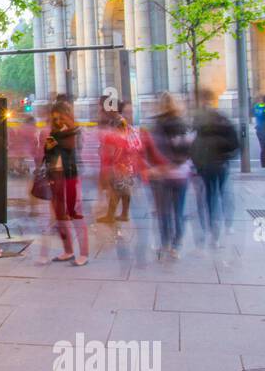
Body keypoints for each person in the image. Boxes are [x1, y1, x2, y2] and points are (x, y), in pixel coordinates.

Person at [191, 90, 239, 248]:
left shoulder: (199, 121)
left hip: (207, 165)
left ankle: (215, 231)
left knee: (211, 196)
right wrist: (226, 156)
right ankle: (225, 225)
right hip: (219, 164)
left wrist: (197, 164)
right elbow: (234, 142)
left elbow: (195, 145)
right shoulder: (221, 118)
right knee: (223, 193)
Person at [149, 92, 194, 260]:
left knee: (164, 212)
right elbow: (188, 149)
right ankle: (176, 246)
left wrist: (162, 166)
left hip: (162, 174)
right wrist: (177, 163)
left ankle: (165, 243)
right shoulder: (183, 123)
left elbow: (154, 150)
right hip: (180, 174)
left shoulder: (157, 125)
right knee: (178, 211)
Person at [43, 99, 88, 265]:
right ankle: (68, 250)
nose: (58, 121)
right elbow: (47, 154)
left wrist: (59, 139)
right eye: (55, 118)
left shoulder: (76, 132)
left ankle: (83, 254)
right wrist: (49, 147)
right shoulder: (53, 133)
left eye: (61, 117)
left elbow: (72, 147)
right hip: (55, 177)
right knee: (60, 215)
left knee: (75, 214)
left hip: (70, 177)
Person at [97, 102, 148, 224]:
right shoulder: (130, 129)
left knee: (116, 190)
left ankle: (110, 216)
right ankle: (124, 214)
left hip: (119, 166)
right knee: (125, 190)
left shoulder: (119, 123)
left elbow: (114, 145)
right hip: (128, 165)